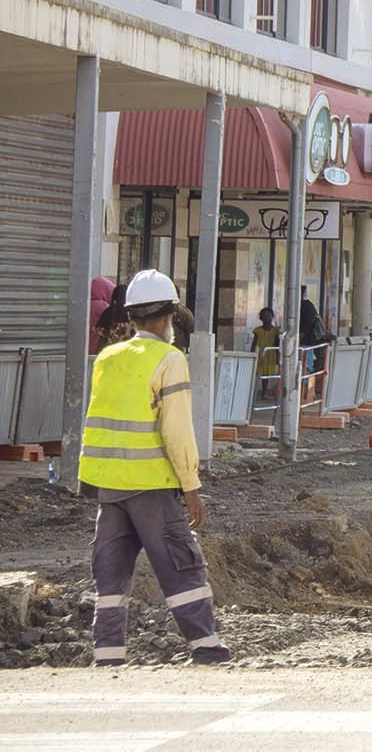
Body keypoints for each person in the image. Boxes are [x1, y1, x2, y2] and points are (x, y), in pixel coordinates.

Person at [80, 268, 230, 666]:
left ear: (131, 316)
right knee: (181, 565)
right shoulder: (169, 359)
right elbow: (177, 430)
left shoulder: (107, 357)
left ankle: (108, 654)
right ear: (167, 318)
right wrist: (191, 486)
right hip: (151, 485)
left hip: (108, 486)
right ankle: (206, 646)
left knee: (110, 575)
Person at [250, 308, 281, 401]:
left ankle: (266, 392)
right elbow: (254, 343)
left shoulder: (275, 331)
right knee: (259, 374)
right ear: (261, 318)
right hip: (260, 355)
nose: (267, 318)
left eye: (269, 316)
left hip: (270, 355)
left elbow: (277, 345)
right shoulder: (257, 330)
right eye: (264, 316)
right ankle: (254, 392)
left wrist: (277, 357)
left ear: (272, 317)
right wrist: (252, 354)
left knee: (268, 374)